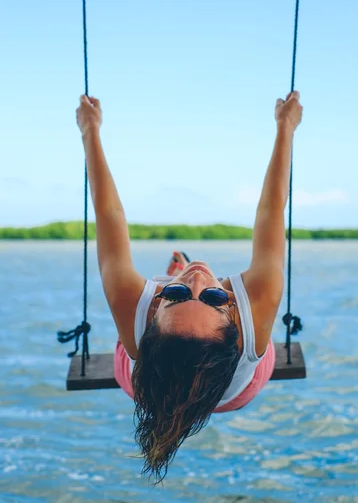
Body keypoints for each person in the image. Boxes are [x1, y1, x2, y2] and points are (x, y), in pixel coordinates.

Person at [76, 91, 303, 485]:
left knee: (156, 298)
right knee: (190, 287)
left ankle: (173, 278)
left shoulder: (135, 317)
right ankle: (176, 284)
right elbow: (271, 211)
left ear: (150, 318)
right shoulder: (258, 306)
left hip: (147, 387)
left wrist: (89, 131)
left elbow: (108, 213)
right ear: (231, 311)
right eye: (214, 298)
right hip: (235, 394)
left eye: (177, 296)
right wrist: (286, 127)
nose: (199, 277)